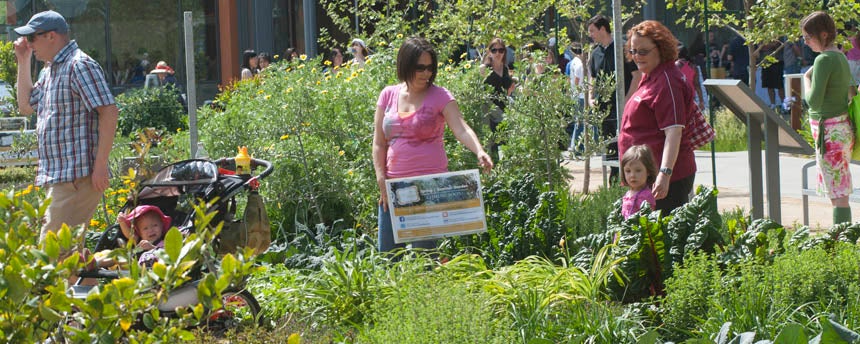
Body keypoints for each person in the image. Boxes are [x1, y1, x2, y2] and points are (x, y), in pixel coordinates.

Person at [372, 37, 494, 253]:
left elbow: (461, 128)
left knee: (424, 259)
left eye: (430, 68)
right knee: (387, 258)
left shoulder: (440, 95)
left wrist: (479, 150)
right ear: (405, 64)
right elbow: (379, 143)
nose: (426, 73)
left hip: (429, 189)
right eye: (420, 67)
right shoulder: (388, 95)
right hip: (394, 187)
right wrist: (381, 179)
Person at [13, 10, 119, 244]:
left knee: (52, 252)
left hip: (78, 177)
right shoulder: (50, 70)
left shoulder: (79, 66)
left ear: (51, 36)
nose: (29, 43)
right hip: (62, 177)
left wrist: (100, 166)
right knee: (70, 252)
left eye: (32, 38)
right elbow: (26, 106)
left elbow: (109, 112)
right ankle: (94, 280)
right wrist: (23, 60)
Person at [620, 20, 698, 215]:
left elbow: (674, 132)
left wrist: (664, 174)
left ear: (661, 48)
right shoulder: (650, 75)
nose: (637, 57)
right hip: (647, 176)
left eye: (643, 51)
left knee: (662, 240)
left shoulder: (668, 80)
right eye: (633, 51)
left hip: (666, 179)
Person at [801, 11, 853, 225]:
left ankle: (842, 241)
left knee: (838, 194)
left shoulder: (823, 60)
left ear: (823, 35)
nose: (805, 42)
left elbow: (813, 101)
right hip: (841, 128)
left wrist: (806, 78)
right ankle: (842, 238)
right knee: (839, 188)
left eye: (808, 37)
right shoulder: (840, 56)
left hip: (829, 132)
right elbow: (849, 92)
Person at [587, 14, 641, 184]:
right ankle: (614, 182)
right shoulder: (595, 53)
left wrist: (626, 100)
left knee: (626, 144)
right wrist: (590, 97)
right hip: (603, 111)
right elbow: (593, 79)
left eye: (592, 31)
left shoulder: (622, 49)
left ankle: (630, 181)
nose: (591, 34)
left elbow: (637, 75)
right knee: (609, 146)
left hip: (623, 109)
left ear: (603, 29)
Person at [481, 38, 515, 159]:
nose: (497, 53)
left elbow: (507, 90)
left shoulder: (505, 68)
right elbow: (479, 88)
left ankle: (503, 168)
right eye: (494, 50)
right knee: (490, 141)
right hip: (488, 108)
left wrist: (510, 88)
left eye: (501, 50)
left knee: (504, 138)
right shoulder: (485, 68)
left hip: (502, 106)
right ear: (489, 52)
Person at [620, 144, 657, 219]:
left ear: (648, 171)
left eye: (638, 171)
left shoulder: (646, 196)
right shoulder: (628, 193)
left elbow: (649, 221)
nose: (632, 175)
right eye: (628, 171)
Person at [759, 40, 784, 107]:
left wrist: (764, 45)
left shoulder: (776, 34)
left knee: (779, 85)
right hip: (765, 62)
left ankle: (783, 103)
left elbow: (776, 44)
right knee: (769, 85)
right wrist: (764, 46)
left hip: (777, 62)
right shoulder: (761, 35)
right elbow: (759, 46)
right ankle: (773, 104)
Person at [845, 27, 860, 98]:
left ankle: (852, 105)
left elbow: (842, 51)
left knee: (850, 86)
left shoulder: (850, 40)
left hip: (851, 64)